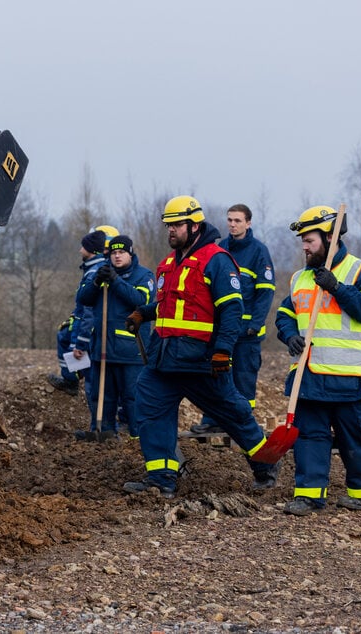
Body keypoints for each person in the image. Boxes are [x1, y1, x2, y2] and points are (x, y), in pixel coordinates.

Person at [122, 196, 279, 498]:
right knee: (150, 410)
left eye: (176, 225)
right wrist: (146, 312)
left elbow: (232, 310)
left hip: (202, 361)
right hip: (164, 360)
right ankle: (162, 479)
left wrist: (223, 350)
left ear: (194, 226)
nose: (170, 230)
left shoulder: (216, 260)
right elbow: (174, 305)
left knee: (234, 413)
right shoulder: (169, 263)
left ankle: (267, 465)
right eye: (168, 225)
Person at [275, 205, 361, 516]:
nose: (305, 247)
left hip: (347, 377)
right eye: (302, 242)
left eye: (309, 240)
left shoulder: (360, 270)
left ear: (329, 237)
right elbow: (285, 314)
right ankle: (308, 496)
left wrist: (336, 287)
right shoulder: (300, 277)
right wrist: (289, 336)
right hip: (308, 376)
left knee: (357, 437)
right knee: (309, 437)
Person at [191, 203, 276, 433]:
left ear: (248, 223)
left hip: (247, 333)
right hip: (222, 329)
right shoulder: (219, 249)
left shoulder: (259, 251)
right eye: (229, 220)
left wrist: (255, 324)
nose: (232, 224)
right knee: (216, 373)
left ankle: (242, 424)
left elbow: (265, 292)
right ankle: (211, 421)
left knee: (243, 379)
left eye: (237, 220)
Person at [75, 235, 154, 440]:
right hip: (103, 349)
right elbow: (83, 299)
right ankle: (104, 433)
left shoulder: (144, 275)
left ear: (130, 253)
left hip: (130, 351)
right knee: (102, 396)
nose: (117, 257)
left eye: (122, 252)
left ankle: (140, 437)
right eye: (114, 253)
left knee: (133, 398)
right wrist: (96, 282)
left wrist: (116, 281)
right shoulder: (102, 275)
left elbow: (141, 300)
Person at [47, 229, 109, 397]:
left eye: (83, 247)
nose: (80, 250)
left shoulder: (93, 273)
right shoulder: (93, 269)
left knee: (86, 365)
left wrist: (79, 343)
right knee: (64, 334)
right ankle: (73, 377)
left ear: (91, 250)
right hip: (84, 322)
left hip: (87, 327)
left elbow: (88, 311)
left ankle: (72, 380)